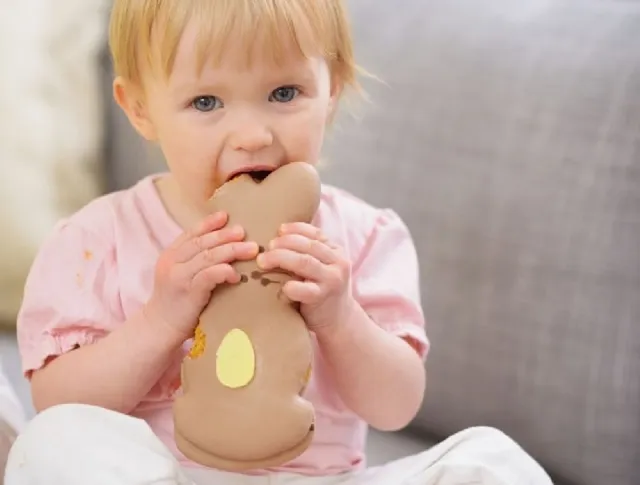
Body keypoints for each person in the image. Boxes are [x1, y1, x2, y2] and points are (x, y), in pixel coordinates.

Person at [5, 1, 553, 484]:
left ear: (330, 91)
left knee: (492, 462)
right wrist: (160, 319)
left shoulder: (365, 238)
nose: (252, 134)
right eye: (205, 103)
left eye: (284, 93)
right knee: (54, 446)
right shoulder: (97, 240)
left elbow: (396, 407)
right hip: (165, 473)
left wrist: (340, 317)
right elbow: (58, 405)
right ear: (140, 108)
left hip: (328, 478)